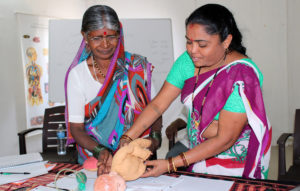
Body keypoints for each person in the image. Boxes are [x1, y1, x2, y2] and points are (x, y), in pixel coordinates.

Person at [122, 4, 272, 179]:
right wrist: (127, 138)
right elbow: (157, 105)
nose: (193, 50)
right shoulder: (187, 62)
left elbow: (225, 138)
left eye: (202, 44)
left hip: (235, 161)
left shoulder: (242, 75)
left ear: (226, 41)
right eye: (188, 41)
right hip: (198, 153)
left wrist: (170, 164)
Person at [64, 5, 162, 175]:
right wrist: (101, 151)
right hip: (96, 161)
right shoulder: (77, 75)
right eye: (96, 38)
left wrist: (155, 139)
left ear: (119, 34)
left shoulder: (137, 67)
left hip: (136, 159)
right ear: (85, 37)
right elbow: (76, 129)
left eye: (111, 36)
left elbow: (155, 111)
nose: (105, 44)